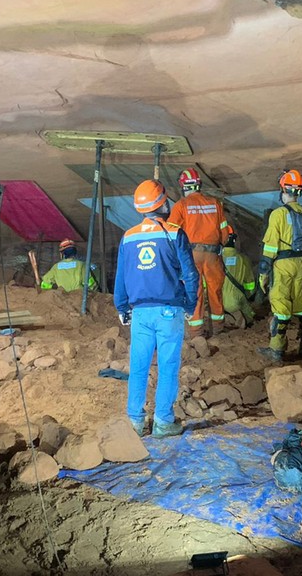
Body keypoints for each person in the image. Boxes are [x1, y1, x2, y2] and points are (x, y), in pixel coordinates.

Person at [114, 179, 199, 438]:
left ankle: (135, 423)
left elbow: (121, 277)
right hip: (169, 311)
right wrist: (190, 303)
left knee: (138, 366)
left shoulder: (128, 237)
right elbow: (191, 275)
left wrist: (122, 306)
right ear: (164, 202)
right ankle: (163, 421)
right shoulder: (174, 233)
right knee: (168, 366)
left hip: (140, 313)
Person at [256, 170, 302, 363]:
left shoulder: (278, 214)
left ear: (283, 190)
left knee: (281, 307)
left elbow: (270, 248)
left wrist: (263, 274)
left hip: (282, 264)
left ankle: (277, 350)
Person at [167, 167, 231, 338]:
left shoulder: (181, 205)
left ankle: (196, 333)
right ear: (199, 184)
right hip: (212, 254)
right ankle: (218, 329)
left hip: (191, 255)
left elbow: (172, 234)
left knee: (194, 291)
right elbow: (225, 233)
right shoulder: (215, 203)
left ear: (183, 187)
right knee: (215, 291)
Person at [220, 226, 256, 328]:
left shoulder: (215, 259)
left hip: (217, 303)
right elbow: (250, 284)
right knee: (250, 315)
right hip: (235, 301)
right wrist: (249, 295)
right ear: (234, 240)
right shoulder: (243, 259)